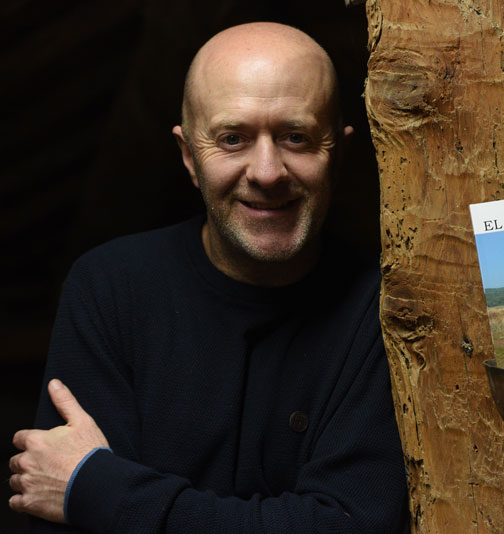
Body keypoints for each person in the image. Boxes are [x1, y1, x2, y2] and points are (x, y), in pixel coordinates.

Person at [8, 22, 408, 533]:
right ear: (189, 158)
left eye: (296, 137)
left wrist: (104, 491)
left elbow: (351, 525)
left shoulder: (385, 307)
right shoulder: (108, 289)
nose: (267, 171)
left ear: (339, 155)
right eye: (233, 138)